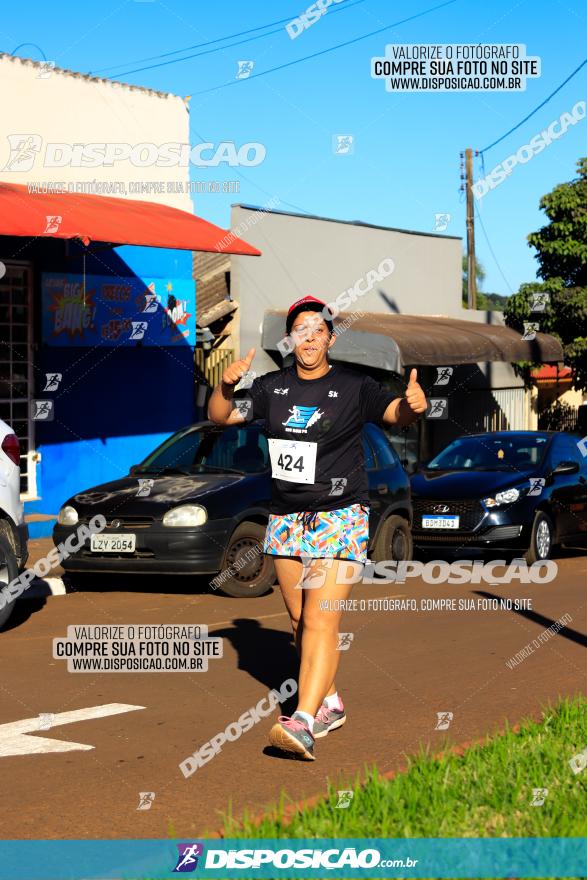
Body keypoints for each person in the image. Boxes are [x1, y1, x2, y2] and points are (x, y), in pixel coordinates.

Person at [208, 295, 427, 760]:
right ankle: (330, 702)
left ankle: (303, 721)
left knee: (322, 618)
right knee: (298, 620)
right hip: (286, 517)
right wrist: (225, 387)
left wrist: (413, 407)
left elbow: (394, 414)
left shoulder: (353, 385)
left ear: (329, 337)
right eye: (300, 329)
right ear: (290, 339)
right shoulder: (270, 388)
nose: (308, 337)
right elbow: (220, 417)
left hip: (340, 514)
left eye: (317, 329)